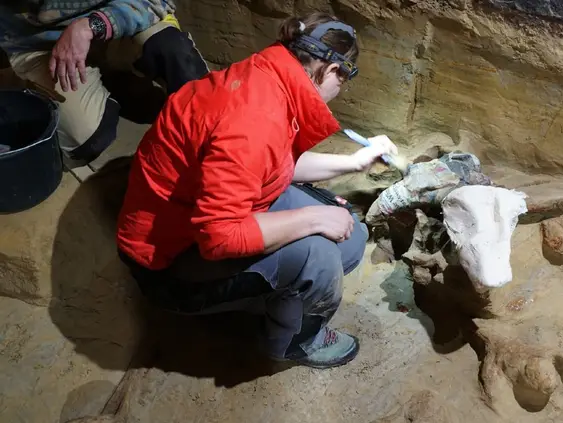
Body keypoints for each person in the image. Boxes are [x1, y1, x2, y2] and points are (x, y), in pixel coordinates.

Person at [116, 12, 399, 369]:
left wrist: (354, 162)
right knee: (320, 257)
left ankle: (275, 294)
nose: (342, 88)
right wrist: (313, 217)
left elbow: (272, 162)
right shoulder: (255, 117)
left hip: (197, 216)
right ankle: (295, 340)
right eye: (345, 78)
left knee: (350, 237)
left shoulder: (267, 76)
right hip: (170, 262)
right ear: (330, 69)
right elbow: (219, 236)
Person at [0, 1, 209, 167]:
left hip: (113, 20)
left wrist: (91, 26)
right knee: (86, 140)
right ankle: (112, 86)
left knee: (174, 55)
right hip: (38, 44)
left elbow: (157, 1)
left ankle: (212, 138)